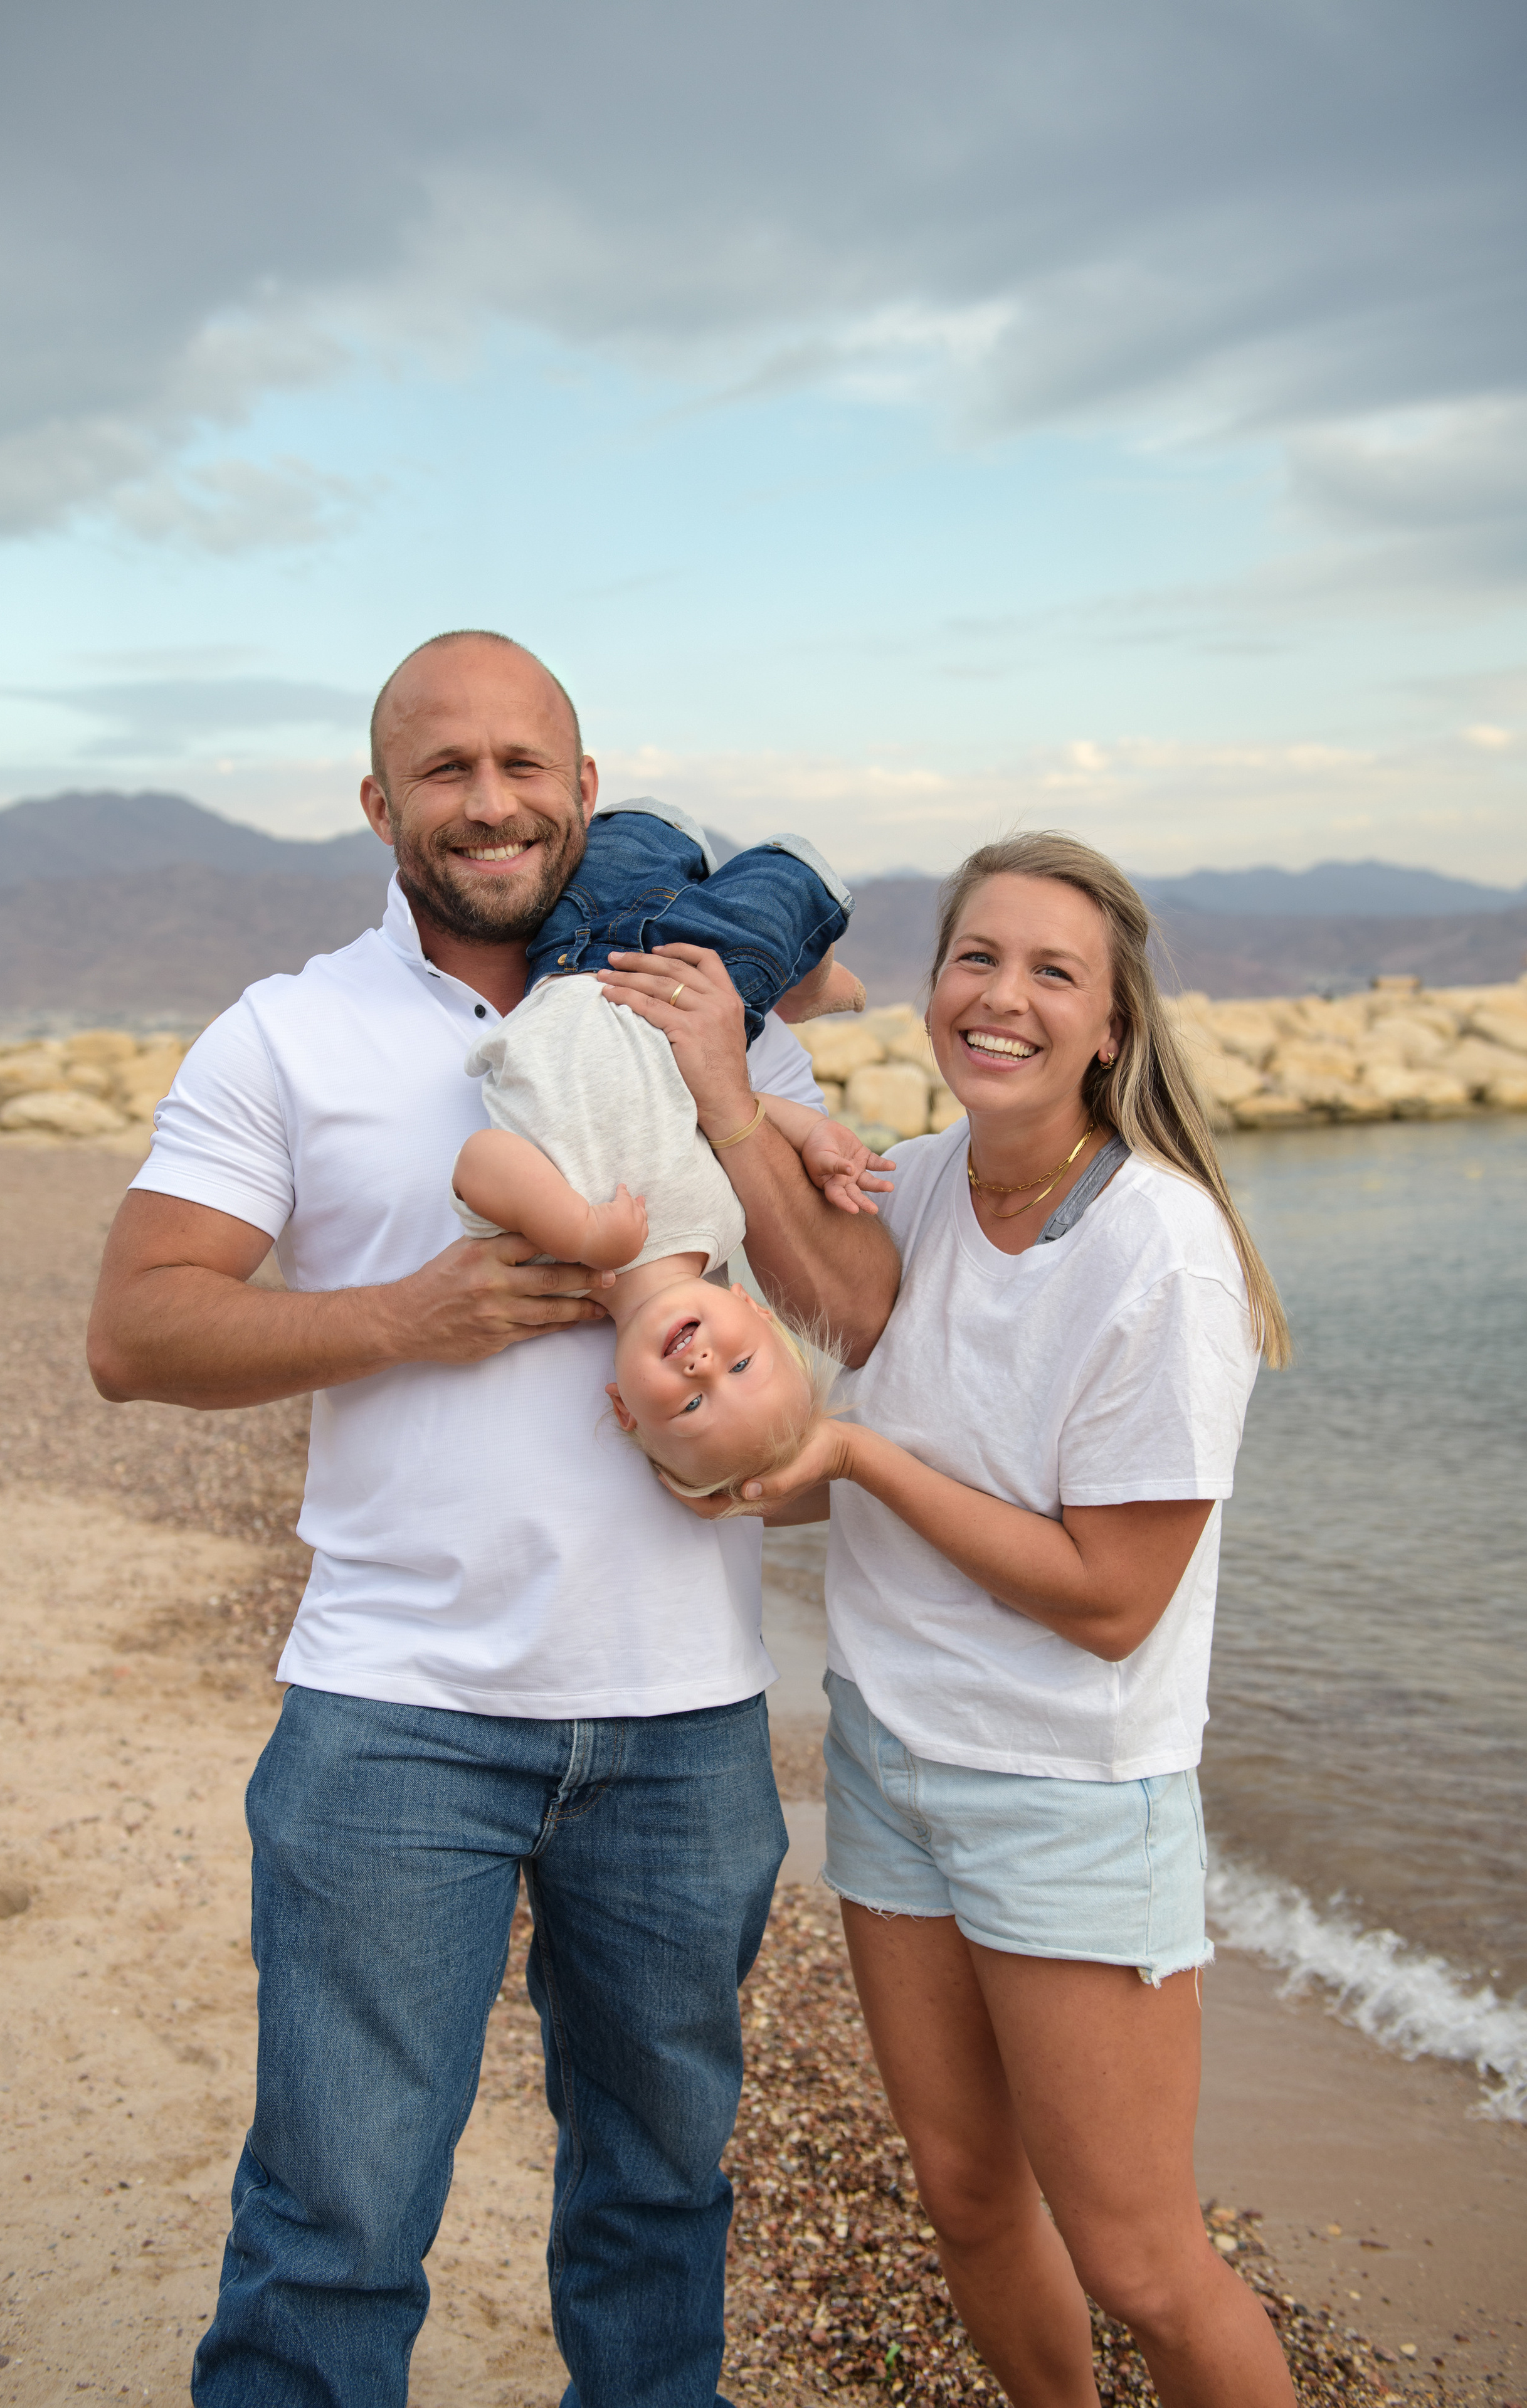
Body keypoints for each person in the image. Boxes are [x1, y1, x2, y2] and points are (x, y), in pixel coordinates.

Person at [84, 629, 896, 2408]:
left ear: (588, 790)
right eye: (447, 771)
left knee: (660, 2202)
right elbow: (136, 1329)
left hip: (684, 1722)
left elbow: (862, 1307)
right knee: (336, 2227)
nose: (492, 802)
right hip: (393, 1719)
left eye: (527, 765)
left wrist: (735, 1098)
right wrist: (405, 1317)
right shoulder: (291, 1031)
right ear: (380, 804)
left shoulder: (710, 1011)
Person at [600, 831, 1297, 2408]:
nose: (1001, 995)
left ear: (1109, 1024)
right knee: (969, 2200)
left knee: (1134, 2259)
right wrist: (730, 1092)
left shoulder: (1158, 1248)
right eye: (975, 957)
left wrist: (843, 1456)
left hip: (1062, 1790)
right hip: (888, 1757)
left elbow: (1114, 1602)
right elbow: (842, 1311)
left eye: (1052, 971)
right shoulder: (914, 1183)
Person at [453, 801, 894, 1498]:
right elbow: (718, 1103)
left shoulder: (552, 1264)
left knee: (638, 835)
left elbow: (479, 1162)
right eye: (742, 1366)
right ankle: (808, 983)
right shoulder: (724, 1227)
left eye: (690, 1407)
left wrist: (584, 1230)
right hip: (690, 984)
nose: (704, 1369)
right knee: (789, 884)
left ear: (624, 1408)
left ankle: (789, 972)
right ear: (754, 1310)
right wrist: (811, 1135)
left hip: (571, 957)